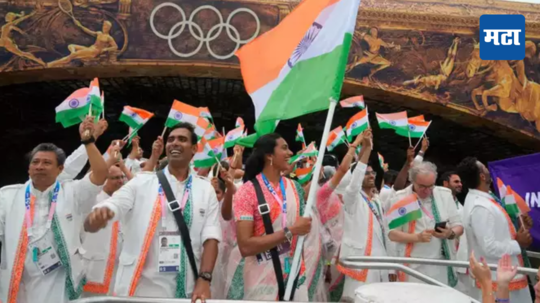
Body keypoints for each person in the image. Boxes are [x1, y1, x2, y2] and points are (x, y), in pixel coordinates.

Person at [84, 123, 221, 302]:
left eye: (182, 139)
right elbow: (115, 204)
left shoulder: (205, 189)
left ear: (194, 149)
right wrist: (100, 214)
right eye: (171, 139)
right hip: (141, 287)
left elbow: (211, 237)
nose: (174, 143)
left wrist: (205, 279)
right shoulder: (142, 182)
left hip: (187, 288)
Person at [0, 117, 108, 303]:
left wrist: (89, 141)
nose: (40, 167)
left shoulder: (72, 192)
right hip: (19, 279)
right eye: (35, 162)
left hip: (59, 277)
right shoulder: (8, 196)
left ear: (59, 169)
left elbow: (100, 174)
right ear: (28, 169)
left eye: (47, 163)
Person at [233, 133, 312, 301]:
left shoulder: (295, 188)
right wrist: (290, 231)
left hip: (295, 275)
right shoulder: (247, 191)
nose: (291, 153)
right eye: (284, 148)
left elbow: (301, 237)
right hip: (261, 278)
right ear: (269, 155)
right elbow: (246, 246)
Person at [457, 157, 532, 303]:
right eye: (484, 167)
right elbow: (489, 247)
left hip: (504, 274)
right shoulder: (481, 207)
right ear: (482, 176)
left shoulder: (486, 198)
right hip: (499, 278)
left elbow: (498, 231)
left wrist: (519, 226)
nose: (487, 169)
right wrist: (518, 243)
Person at [337, 130, 393, 299]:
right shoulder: (352, 198)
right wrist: (366, 149)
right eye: (366, 173)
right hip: (361, 261)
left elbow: (385, 235)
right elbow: (354, 183)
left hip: (380, 261)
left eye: (373, 173)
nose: (371, 175)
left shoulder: (376, 201)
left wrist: (390, 267)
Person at [388, 161, 463, 286]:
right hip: (412, 266)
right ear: (412, 181)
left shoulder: (444, 195)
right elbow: (392, 234)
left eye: (431, 186)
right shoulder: (402, 198)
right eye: (422, 186)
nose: (427, 191)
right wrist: (416, 237)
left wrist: (450, 233)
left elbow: (459, 226)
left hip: (441, 263)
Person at [82, 145, 133, 297]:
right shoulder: (92, 198)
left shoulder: (125, 201)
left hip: (118, 270)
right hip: (94, 270)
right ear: (104, 180)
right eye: (115, 178)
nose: (120, 181)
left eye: (121, 177)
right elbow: (88, 178)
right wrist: (108, 155)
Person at [440, 171, 469, 295]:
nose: (460, 184)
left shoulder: (462, 207)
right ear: (445, 184)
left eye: (460, 182)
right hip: (442, 258)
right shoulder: (438, 205)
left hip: (460, 260)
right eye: (456, 181)